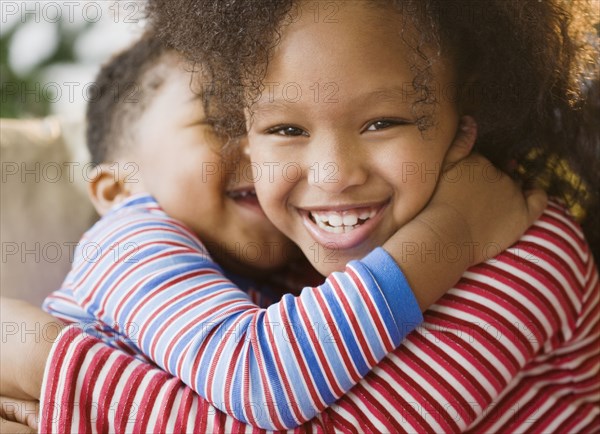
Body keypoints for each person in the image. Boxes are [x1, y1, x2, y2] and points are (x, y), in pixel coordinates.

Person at [37, 0, 593, 431]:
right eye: (283, 129)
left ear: (464, 125)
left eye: (383, 122)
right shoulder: (134, 243)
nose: (331, 175)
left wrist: (40, 364)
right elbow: (260, 376)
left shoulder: (529, 245)